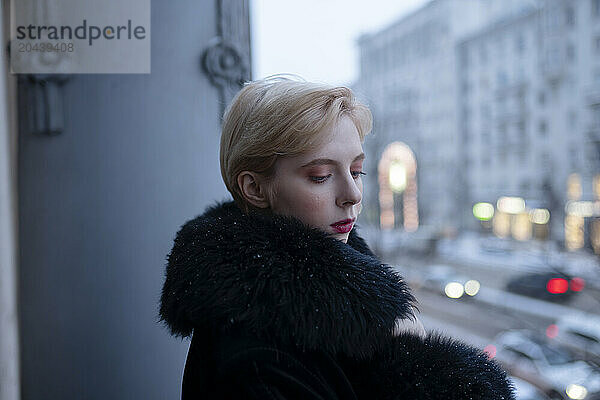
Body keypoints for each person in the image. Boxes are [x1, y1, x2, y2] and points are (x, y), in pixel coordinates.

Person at [159, 77, 515, 399]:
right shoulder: (259, 363)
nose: (353, 194)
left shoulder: (327, 314)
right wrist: (413, 359)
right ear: (254, 188)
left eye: (357, 171)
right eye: (321, 175)